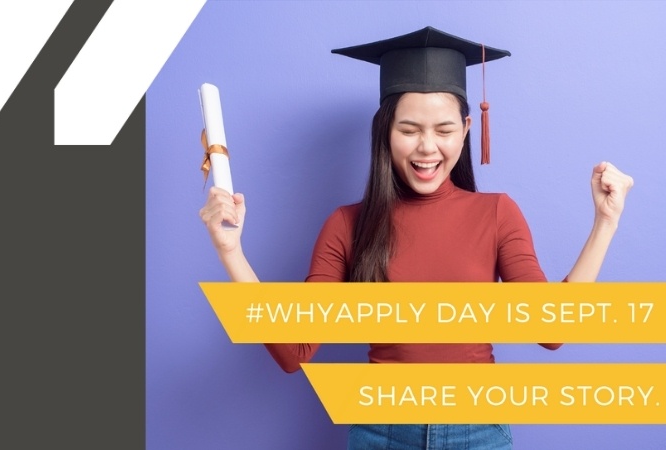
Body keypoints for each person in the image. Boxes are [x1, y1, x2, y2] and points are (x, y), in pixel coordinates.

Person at [199, 26, 633, 450]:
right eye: (409, 130)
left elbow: (550, 329)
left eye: (443, 131)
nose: (427, 147)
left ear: (466, 130)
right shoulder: (347, 225)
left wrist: (605, 223)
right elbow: (294, 353)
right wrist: (231, 251)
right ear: (385, 132)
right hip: (380, 431)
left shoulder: (497, 213)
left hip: (476, 430)